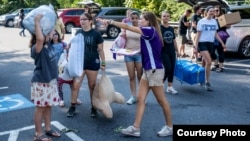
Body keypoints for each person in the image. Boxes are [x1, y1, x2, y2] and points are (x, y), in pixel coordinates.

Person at [101, 11, 173, 137]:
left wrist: (111, 22)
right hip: (148, 71)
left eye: (142, 19)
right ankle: (136, 128)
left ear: (148, 21)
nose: (140, 21)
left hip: (154, 71)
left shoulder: (149, 30)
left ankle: (170, 127)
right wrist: (130, 51)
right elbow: (148, 49)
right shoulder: (149, 32)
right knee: (140, 99)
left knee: (162, 100)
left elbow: (128, 27)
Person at [67, 12, 105, 117]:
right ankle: (72, 106)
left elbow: (101, 50)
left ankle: (93, 107)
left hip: (93, 62)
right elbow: (73, 47)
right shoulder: (78, 33)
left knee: (92, 86)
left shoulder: (96, 34)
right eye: (81, 19)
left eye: (84, 19)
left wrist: (103, 62)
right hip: (80, 64)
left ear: (90, 21)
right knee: (75, 85)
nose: (82, 21)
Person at [30, 14, 61, 141]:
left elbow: (52, 29)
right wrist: (37, 21)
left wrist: (51, 19)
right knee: (41, 108)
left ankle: (48, 129)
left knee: (48, 106)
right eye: (49, 31)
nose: (53, 32)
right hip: (41, 82)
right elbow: (40, 39)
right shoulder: (37, 48)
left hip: (51, 81)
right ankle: (38, 133)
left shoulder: (49, 45)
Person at [195, 6, 226, 91]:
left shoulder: (214, 22)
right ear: (207, 12)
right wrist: (195, 46)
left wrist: (222, 43)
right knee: (209, 61)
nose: (212, 12)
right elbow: (198, 35)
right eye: (210, 11)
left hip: (211, 43)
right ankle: (207, 82)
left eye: (213, 11)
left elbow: (216, 34)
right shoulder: (201, 21)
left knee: (204, 63)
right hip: (202, 43)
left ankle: (200, 79)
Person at [51, 30, 81, 107]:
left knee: (72, 83)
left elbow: (70, 51)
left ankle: (75, 98)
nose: (55, 36)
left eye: (56, 34)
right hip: (55, 68)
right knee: (59, 84)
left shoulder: (63, 44)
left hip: (65, 66)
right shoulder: (49, 46)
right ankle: (61, 99)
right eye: (53, 35)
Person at [122, 11, 142, 105]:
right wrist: (121, 35)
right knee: (131, 77)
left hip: (139, 54)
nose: (134, 20)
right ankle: (133, 96)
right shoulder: (127, 28)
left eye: (135, 18)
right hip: (128, 54)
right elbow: (122, 39)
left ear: (138, 18)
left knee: (140, 77)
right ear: (129, 18)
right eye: (132, 18)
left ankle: (141, 97)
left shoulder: (142, 28)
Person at [161, 11, 180, 94]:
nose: (166, 17)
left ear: (169, 18)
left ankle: (170, 87)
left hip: (172, 50)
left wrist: (177, 50)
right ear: (161, 17)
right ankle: (161, 83)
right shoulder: (159, 28)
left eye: (167, 16)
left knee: (172, 68)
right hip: (163, 51)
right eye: (164, 16)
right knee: (168, 68)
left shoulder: (171, 28)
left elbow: (174, 40)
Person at [211, 5, 229, 72]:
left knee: (220, 51)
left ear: (220, 11)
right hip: (213, 36)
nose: (215, 12)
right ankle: (216, 64)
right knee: (211, 51)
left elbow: (229, 26)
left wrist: (225, 24)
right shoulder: (212, 18)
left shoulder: (222, 18)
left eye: (217, 10)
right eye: (214, 10)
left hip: (221, 35)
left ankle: (221, 66)